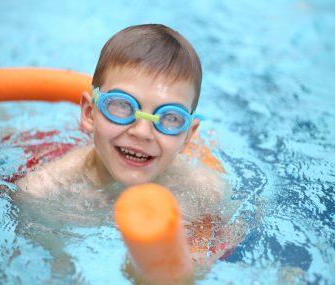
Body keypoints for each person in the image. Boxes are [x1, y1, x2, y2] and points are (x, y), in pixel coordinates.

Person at [15, 24, 244, 271]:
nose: (142, 132)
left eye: (170, 118)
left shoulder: (205, 191)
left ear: (187, 136)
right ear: (89, 113)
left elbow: (226, 248)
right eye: (122, 106)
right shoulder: (43, 191)